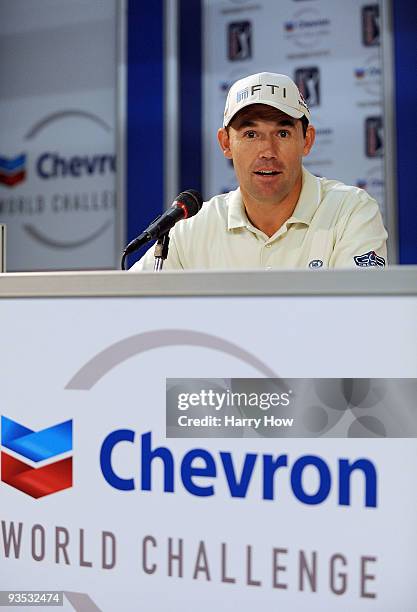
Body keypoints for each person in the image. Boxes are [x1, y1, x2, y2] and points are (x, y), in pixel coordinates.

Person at [132, 72, 387, 271]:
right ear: (226, 143)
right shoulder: (192, 228)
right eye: (251, 134)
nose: (267, 151)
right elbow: (132, 307)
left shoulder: (350, 212)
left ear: (307, 140)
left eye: (282, 133)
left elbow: (360, 319)